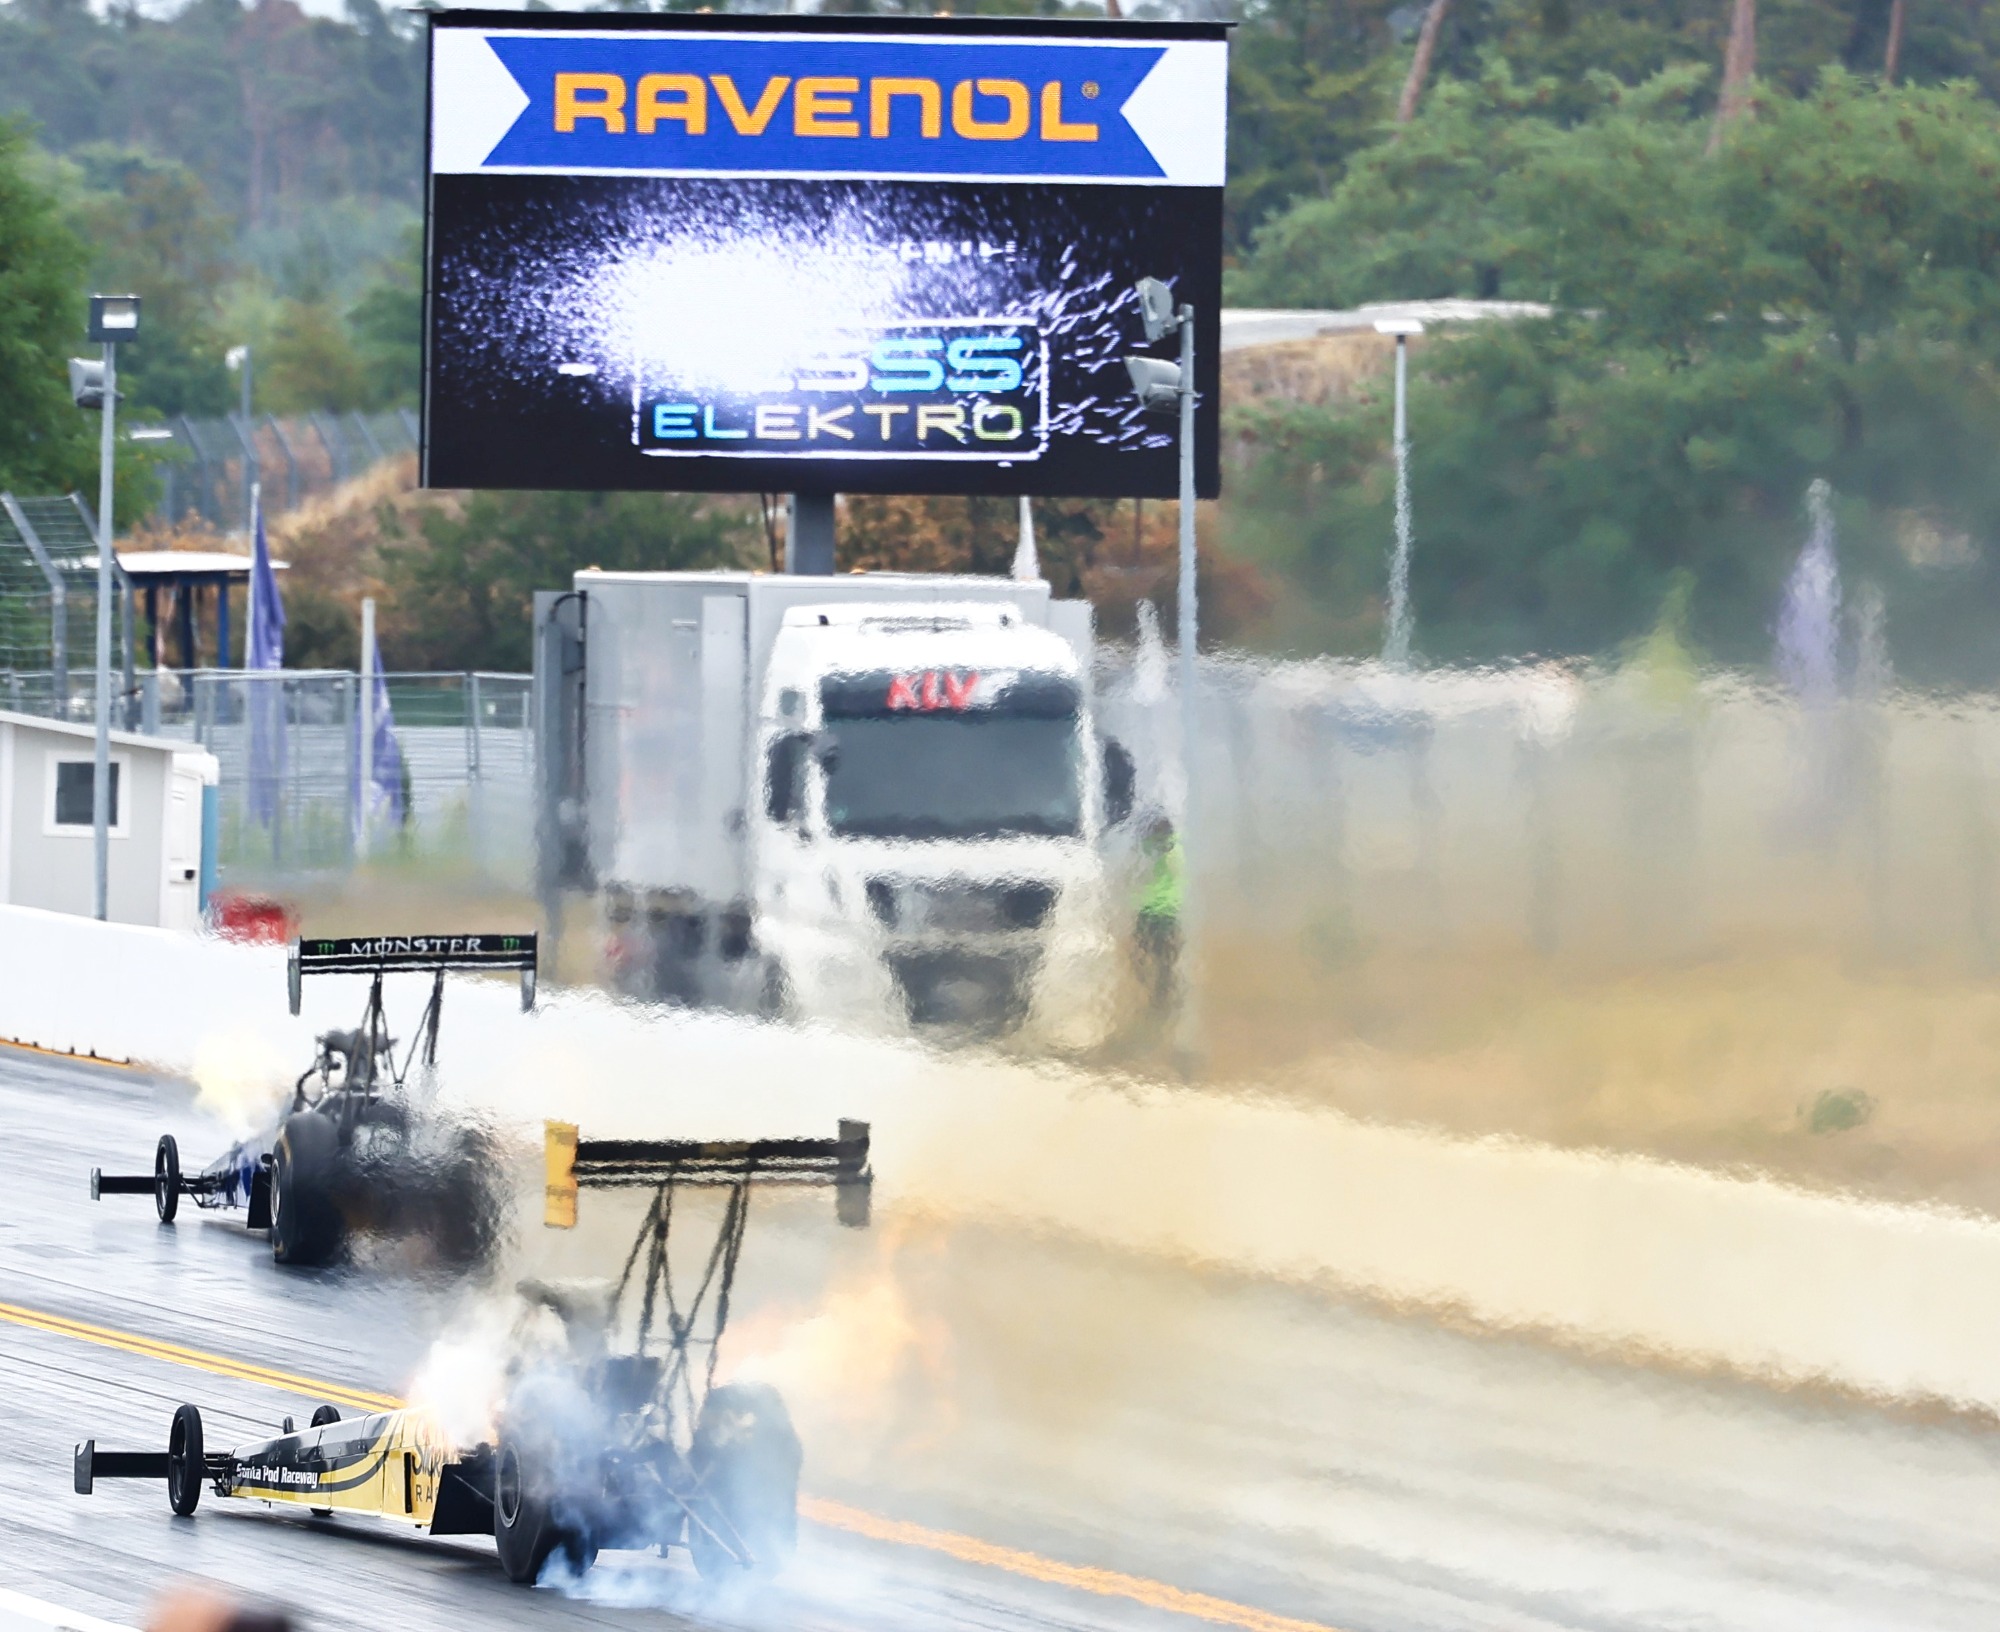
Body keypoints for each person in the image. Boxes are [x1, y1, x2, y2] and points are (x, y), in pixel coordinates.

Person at [1133, 814, 1183, 1016]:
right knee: (1165, 961)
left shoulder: (1145, 848)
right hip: (1165, 913)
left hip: (1152, 912)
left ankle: (1158, 998)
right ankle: (1161, 997)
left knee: (1146, 957)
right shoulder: (1179, 848)